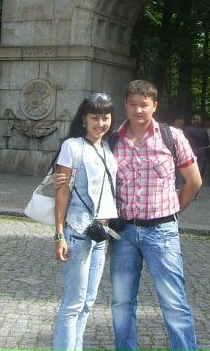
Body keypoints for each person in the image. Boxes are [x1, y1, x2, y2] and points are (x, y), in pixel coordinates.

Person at [110, 80, 202, 351]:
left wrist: (172, 212)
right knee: (121, 302)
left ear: (155, 106)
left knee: (173, 302)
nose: (138, 110)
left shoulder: (171, 137)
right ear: (125, 105)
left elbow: (194, 181)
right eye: (132, 104)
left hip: (162, 231)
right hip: (124, 233)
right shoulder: (113, 139)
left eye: (144, 104)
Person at [53, 92, 118, 351]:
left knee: (88, 301)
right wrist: (58, 234)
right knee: (73, 303)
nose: (100, 123)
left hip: (100, 233)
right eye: (95, 118)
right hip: (77, 231)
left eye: (105, 118)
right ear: (84, 119)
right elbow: (62, 193)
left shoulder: (108, 148)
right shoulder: (72, 146)